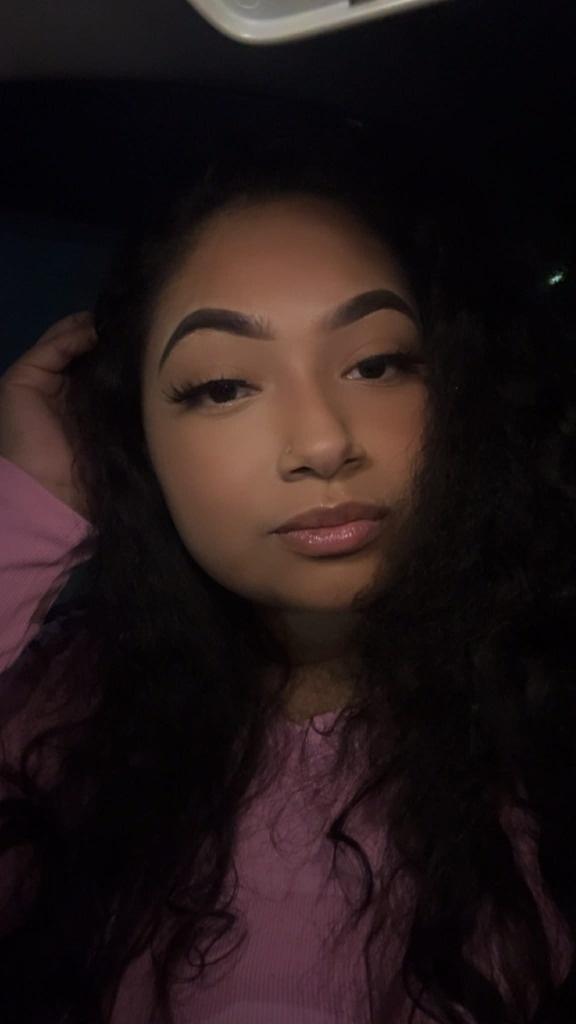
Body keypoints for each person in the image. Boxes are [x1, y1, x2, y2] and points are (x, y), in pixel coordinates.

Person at [0, 127, 575, 1024]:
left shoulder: (549, 721)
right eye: (224, 385)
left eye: (378, 364)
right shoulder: (55, 720)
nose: (321, 442)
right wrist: (32, 501)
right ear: (132, 436)